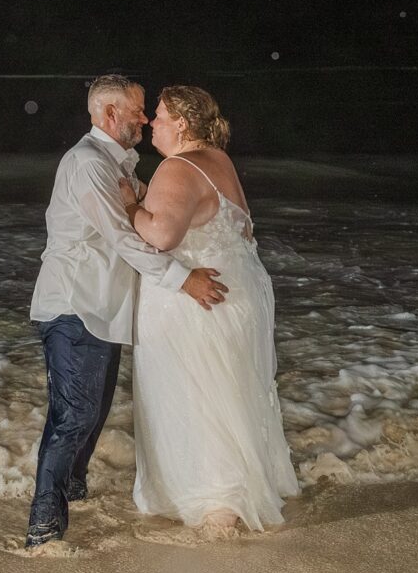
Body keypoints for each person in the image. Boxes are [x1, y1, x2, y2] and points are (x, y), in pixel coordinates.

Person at [26, 75, 229, 548]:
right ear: (110, 114)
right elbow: (123, 236)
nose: (143, 118)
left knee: (92, 413)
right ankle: (43, 525)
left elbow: (149, 217)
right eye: (138, 110)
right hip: (74, 304)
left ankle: (73, 490)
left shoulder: (116, 162)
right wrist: (185, 279)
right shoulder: (87, 164)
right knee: (74, 415)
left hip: (104, 307)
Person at [119, 85, 299, 530]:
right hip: (237, 295)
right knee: (228, 393)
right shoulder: (219, 161)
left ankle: (219, 507)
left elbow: (161, 236)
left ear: (181, 123)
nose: (150, 123)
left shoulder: (177, 167)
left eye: (158, 116)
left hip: (198, 302)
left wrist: (128, 206)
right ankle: (237, 492)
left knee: (197, 398)